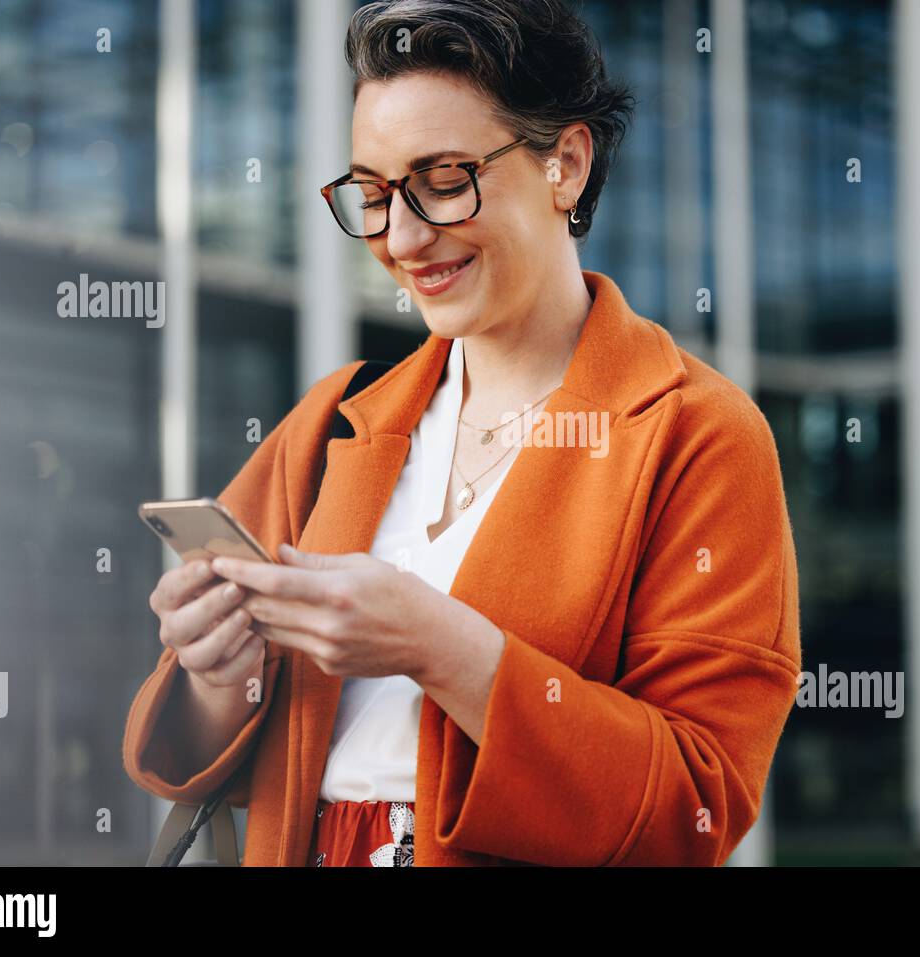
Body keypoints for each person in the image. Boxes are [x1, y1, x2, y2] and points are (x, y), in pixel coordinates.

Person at [123, 0, 801, 867]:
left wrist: (441, 646)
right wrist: (223, 674)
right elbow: (211, 758)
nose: (402, 239)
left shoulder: (695, 435)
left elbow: (694, 806)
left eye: (444, 180)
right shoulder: (334, 421)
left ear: (566, 163)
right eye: (372, 194)